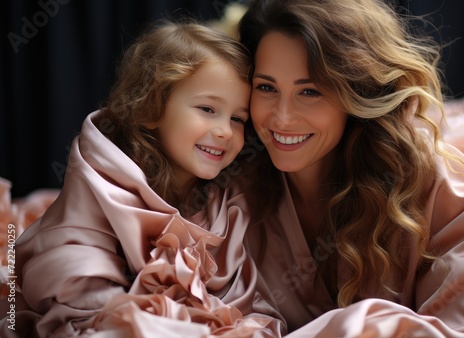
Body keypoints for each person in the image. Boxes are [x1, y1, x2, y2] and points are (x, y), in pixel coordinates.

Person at [0, 19, 284, 337]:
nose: (224, 131)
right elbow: (72, 271)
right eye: (207, 109)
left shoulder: (227, 202)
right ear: (152, 108)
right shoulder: (104, 183)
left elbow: (243, 296)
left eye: (237, 119)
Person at [238, 0, 464, 336]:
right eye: (266, 88)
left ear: (358, 92)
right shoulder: (232, 192)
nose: (282, 117)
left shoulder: (457, 198)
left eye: (310, 91)